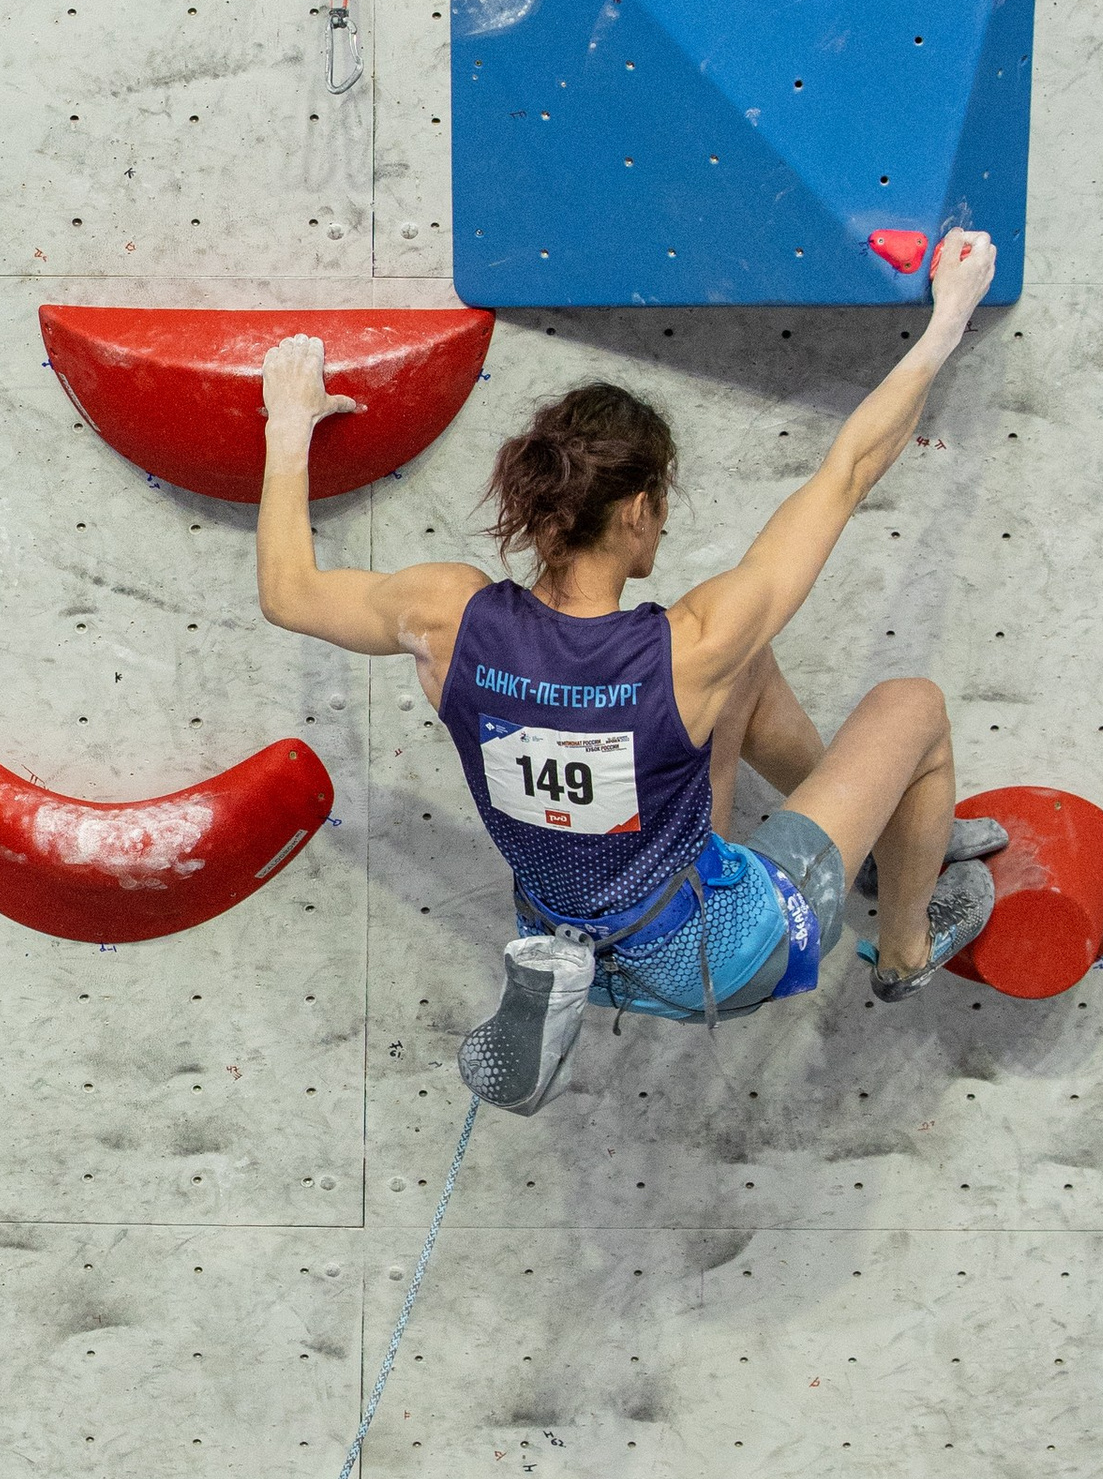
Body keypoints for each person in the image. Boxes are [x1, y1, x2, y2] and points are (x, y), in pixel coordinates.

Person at [255, 231, 1007, 1112]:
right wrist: (948, 320)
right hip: (719, 953)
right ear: (639, 512)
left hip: (576, 934)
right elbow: (847, 474)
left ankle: (869, 843)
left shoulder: (446, 616)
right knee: (914, 706)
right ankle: (908, 951)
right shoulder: (692, 644)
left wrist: (288, 423)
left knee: (741, 671)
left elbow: (288, 592)